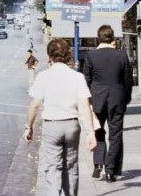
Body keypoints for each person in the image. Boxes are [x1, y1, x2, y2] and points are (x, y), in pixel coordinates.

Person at [25, 38, 97, 196]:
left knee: (53, 168)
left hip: (52, 126)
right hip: (72, 125)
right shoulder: (77, 77)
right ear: (68, 55)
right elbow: (85, 104)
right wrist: (91, 132)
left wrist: (29, 126)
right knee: (71, 167)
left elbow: (35, 105)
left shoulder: (44, 76)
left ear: (50, 56)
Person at [83, 24, 133, 183]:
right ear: (112, 38)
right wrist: (126, 98)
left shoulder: (91, 56)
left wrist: (88, 100)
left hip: (97, 98)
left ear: (98, 38)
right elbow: (128, 80)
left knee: (98, 130)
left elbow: (86, 80)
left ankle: (98, 163)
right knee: (116, 135)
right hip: (117, 98)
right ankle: (111, 171)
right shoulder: (121, 55)